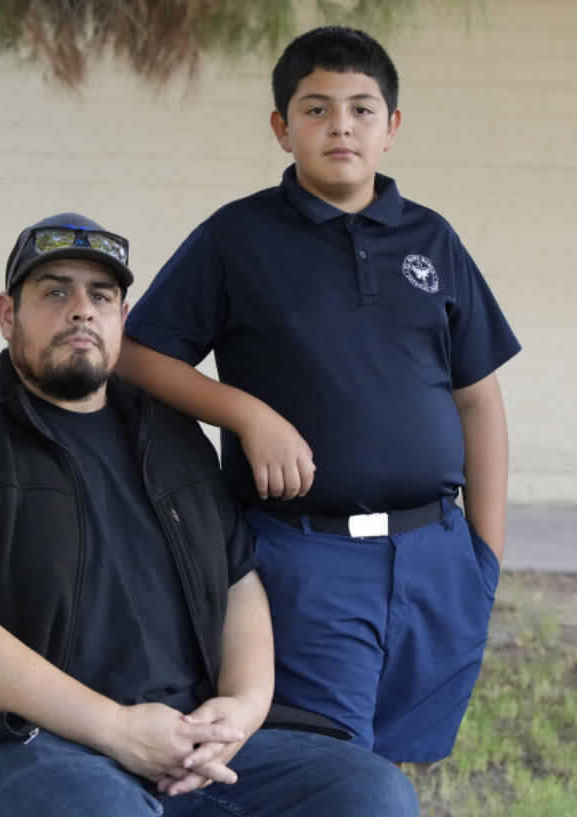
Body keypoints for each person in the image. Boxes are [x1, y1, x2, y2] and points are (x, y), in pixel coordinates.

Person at [0, 213, 421, 817]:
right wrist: (117, 729)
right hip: (9, 749)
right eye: (55, 291)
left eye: (101, 295)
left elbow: (237, 581)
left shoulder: (170, 434)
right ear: (6, 314)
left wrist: (244, 707)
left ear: (122, 319)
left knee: (370, 794)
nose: (81, 310)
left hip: (181, 740)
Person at [117, 27, 521, 765]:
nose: (342, 126)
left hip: (436, 556)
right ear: (282, 127)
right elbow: (136, 354)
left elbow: (479, 401)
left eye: (363, 109)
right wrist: (244, 412)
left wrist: (484, 555)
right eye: (316, 109)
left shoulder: (432, 241)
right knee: (326, 767)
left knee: (398, 766)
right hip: (305, 556)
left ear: (392, 128)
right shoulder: (237, 238)